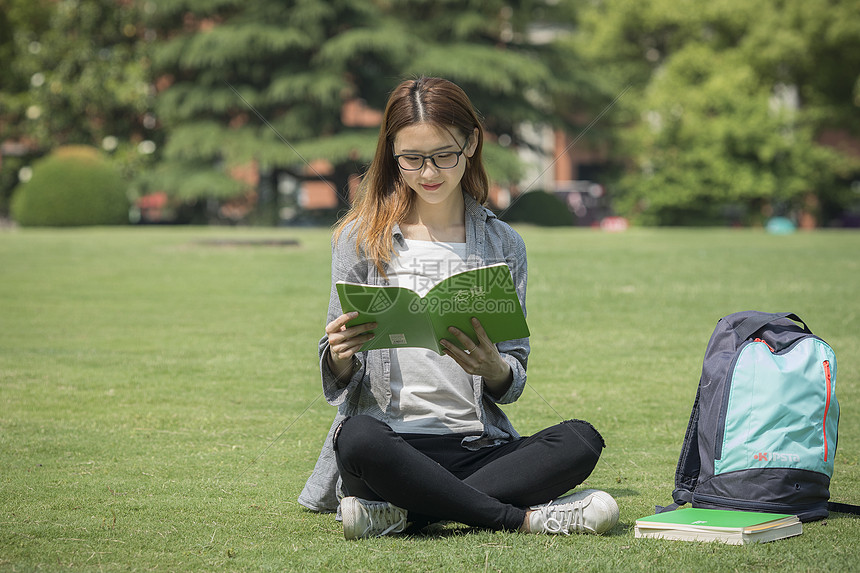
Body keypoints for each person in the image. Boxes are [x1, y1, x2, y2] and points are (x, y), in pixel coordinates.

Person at [298, 77, 618, 539]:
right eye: (411, 158)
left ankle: (404, 515)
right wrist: (340, 355)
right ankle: (524, 520)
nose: (428, 173)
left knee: (581, 440)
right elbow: (337, 371)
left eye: (443, 155)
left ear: (471, 143)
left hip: (475, 444)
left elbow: (512, 380)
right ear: (391, 153)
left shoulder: (503, 244)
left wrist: (495, 368)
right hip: (391, 446)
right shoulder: (357, 239)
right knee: (357, 436)